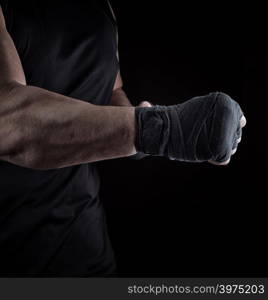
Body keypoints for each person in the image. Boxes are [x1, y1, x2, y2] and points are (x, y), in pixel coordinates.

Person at [0, 1, 246, 277]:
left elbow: (109, 89)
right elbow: (10, 123)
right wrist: (165, 130)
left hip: (82, 243)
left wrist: (144, 121)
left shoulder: (100, 6)